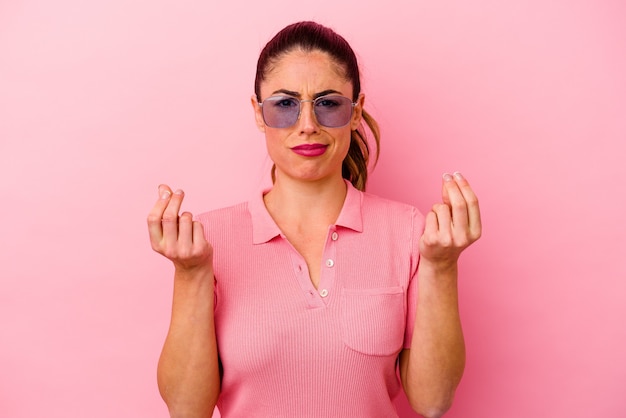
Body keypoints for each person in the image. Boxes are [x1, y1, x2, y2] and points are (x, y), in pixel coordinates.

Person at [147, 21, 481, 418]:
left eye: (328, 103)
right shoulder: (209, 240)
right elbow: (186, 409)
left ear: (355, 112)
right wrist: (191, 274)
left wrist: (442, 267)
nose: (307, 124)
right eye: (285, 104)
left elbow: (432, 402)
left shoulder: (409, 232)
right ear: (258, 113)